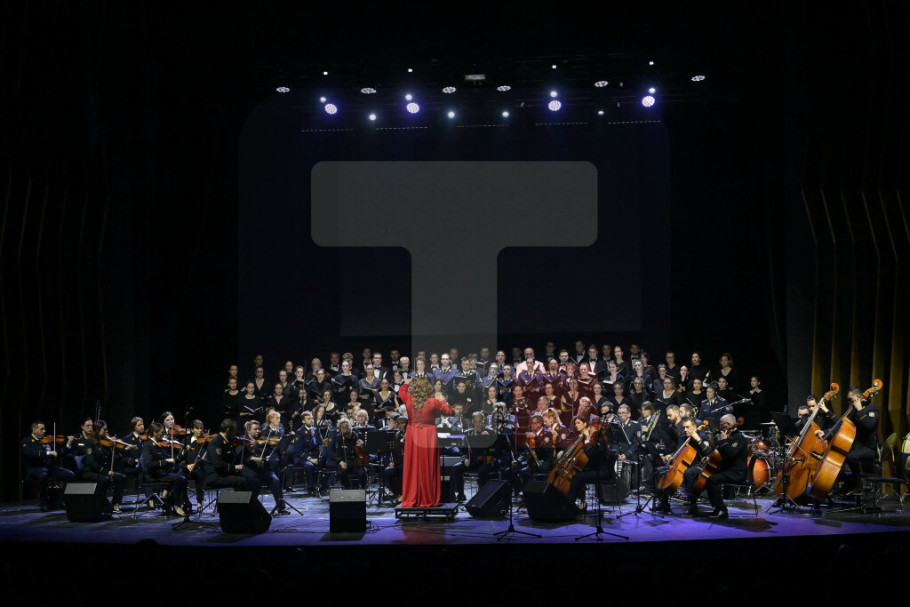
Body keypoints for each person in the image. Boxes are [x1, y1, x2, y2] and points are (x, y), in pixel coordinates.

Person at [398, 377, 452, 507]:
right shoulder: (433, 402)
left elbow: (401, 392)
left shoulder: (409, 400)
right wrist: (443, 401)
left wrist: (406, 383)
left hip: (412, 434)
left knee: (413, 464)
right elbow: (448, 412)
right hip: (427, 435)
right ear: (428, 389)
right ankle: (428, 497)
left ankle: (413, 496)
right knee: (428, 464)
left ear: (416, 389)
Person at [701, 414, 748, 518]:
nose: (721, 426)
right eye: (721, 424)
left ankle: (722, 510)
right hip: (727, 470)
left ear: (728, 424)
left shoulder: (738, 437)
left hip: (736, 472)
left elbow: (731, 454)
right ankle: (716, 508)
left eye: (722, 424)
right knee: (705, 476)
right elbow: (718, 453)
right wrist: (709, 457)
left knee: (712, 480)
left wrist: (723, 441)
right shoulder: (726, 436)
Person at [21, 420, 74, 511]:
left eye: (44, 429)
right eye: (42, 429)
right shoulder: (27, 441)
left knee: (70, 475)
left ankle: (60, 500)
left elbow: (58, 453)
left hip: (49, 468)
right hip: (35, 468)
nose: (44, 431)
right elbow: (29, 453)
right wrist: (48, 453)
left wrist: (68, 444)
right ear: (34, 430)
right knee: (43, 476)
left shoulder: (48, 441)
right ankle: (44, 503)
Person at [142, 422, 188, 517]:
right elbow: (149, 464)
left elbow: (167, 459)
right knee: (180, 479)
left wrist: (179, 456)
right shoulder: (148, 446)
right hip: (153, 475)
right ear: (155, 433)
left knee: (182, 476)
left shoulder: (159, 444)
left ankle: (171, 503)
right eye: (161, 432)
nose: (163, 434)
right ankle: (176, 505)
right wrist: (165, 461)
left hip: (162, 473)